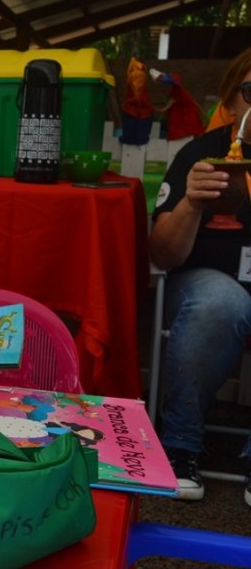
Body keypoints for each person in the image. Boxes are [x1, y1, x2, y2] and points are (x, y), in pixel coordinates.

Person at [149, 45, 251, 506]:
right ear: (231, 103)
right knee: (221, 301)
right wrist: (190, 204)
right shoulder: (204, 154)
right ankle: (180, 445)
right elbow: (162, 254)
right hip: (202, 286)